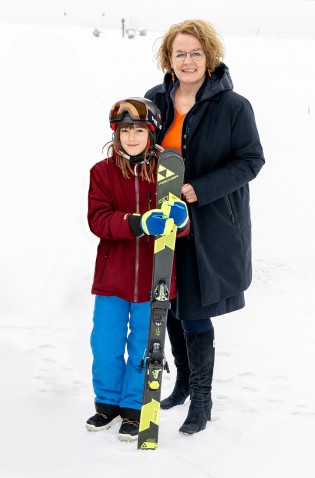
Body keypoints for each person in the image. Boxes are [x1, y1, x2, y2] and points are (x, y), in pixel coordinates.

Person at [145, 19, 265, 435]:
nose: (188, 60)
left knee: (195, 311)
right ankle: (180, 384)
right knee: (170, 307)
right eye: (180, 53)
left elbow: (251, 161)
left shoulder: (233, 106)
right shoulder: (154, 100)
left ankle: (202, 399)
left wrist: (200, 189)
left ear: (209, 56)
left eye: (196, 52)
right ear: (169, 58)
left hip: (207, 227)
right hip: (162, 226)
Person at [85, 97, 189, 442]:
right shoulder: (102, 172)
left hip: (153, 281)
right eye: (125, 129)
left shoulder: (166, 169)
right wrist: (136, 222)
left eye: (139, 129)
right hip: (112, 278)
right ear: (116, 134)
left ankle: (133, 407)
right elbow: (98, 220)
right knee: (105, 342)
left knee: (145, 345)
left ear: (151, 132)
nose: (131, 136)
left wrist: (181, 219)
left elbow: (180, 226)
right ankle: (107, 403)